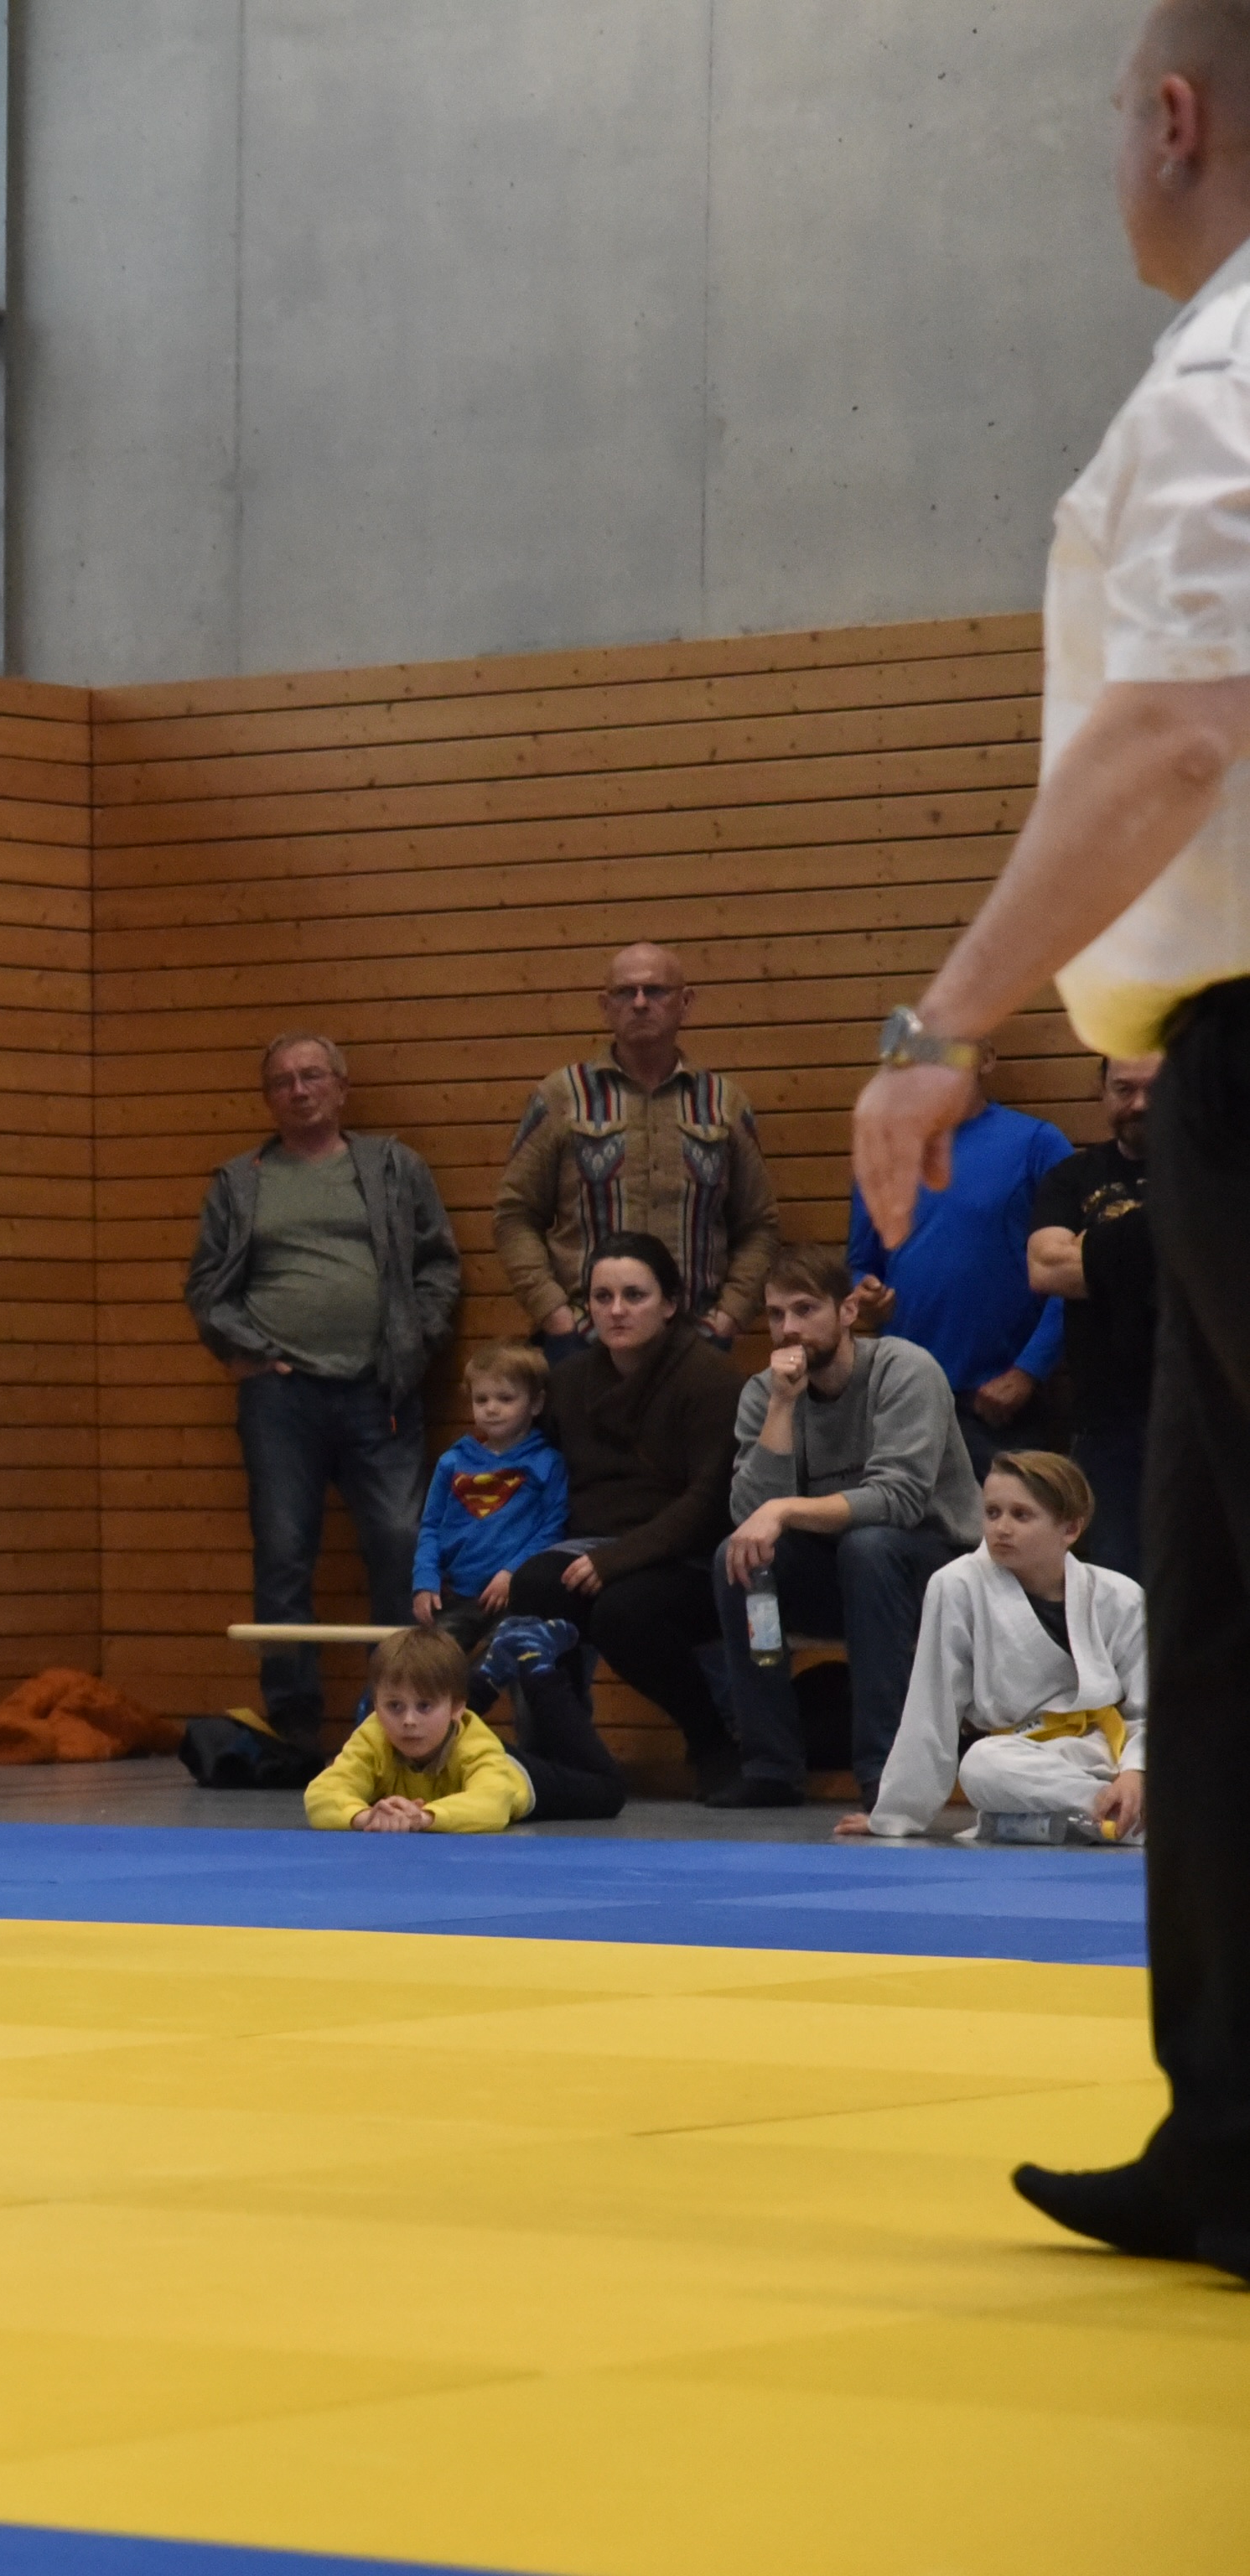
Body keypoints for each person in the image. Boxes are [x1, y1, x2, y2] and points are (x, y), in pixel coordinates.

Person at [853, 0, 1250, 2278]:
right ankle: (1233, 2123)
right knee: (1218, 1611)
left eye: (1117, 115)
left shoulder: (1222, 375)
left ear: (1174, 118)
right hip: (1209, 1073)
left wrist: (943, 1025)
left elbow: (1177, 729)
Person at [182, 1033, 465, 1753]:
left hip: (382, 1388)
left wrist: (416, 1341)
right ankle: (294, 1720)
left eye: (312, 1076)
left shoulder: (393, 1167)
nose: (299, 1090)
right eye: (282, 1081)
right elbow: (207, 1286)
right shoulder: (240, 1181)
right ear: (267, 1098)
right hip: (282, 1398)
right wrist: (249, 1352)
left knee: (400, 1542)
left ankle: (402, 1711)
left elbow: (439, 1264)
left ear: (342, 1087)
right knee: (283, 1550)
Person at [711, 1246, 985, 1809]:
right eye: (776, 1314)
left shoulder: (904, 1370)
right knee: (739, 1560)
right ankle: (772, 1766)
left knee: (870, 1547)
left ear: (847, 1312)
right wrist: (781, 1409)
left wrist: (785, 1512)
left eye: (805, 1309)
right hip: (838, 1564)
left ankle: (885, 1772)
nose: (789, 1329)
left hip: (936, 1565)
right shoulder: (765, 1392)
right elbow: (751, 1515)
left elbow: (899, 1499)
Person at [496, 1233, 741, 1797]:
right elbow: (536, 1473)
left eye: (635, 1295)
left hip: (688, 1558)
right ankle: (560, 1754)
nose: (616, 1310)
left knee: (623, 1612)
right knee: (534, 1585)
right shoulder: (568, 1381)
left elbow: (709, 1503)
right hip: (590, 1548)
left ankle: (711, 1742)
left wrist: (617, 1560)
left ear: (670, 1303)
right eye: (602, 1297)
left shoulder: (712, 1381)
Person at [839, 1452, 1150, 1847]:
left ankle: (1110, 1809)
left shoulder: (1120, 1596)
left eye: (1021, 1515)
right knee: (980, 1764)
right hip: (1019, 1757)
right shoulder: (956, 1585)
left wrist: (1136, 1772)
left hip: (1108, 1751)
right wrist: (895, 1814)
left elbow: (1150, 1709)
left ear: (1070, 1528)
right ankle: (1118, 1814)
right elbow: (932, 1707)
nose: (1002, 1528)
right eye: (992, 1513)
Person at [493, 944, 782, 1359]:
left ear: (686, 1003)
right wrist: (555, 1314)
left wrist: (729, 1316)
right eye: (626, 993)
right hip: (584, 1345)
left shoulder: (724, 1103)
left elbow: (759, 1225)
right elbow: (515, 1214)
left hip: (693, 1343)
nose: (641, 1003)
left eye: (656, 991)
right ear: (605, 1006)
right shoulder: (562, 1097)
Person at [845, 1050, 1070, 1472]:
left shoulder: (1037, 1144)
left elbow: (1072, 1276)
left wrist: (1028, 1371)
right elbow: (861, 1264)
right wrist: (867, 1295)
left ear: (987, 1058)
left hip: (1001, 1406)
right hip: (907, 1399)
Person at [1030, 1054, 1163, 1571]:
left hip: (1209, 1410)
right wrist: (1159, 1239)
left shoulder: (1220, 1174)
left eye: (1155, 1088)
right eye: (1124, 1089)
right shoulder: (1072, 1178)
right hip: (1107, 1420)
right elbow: (1046, 1269)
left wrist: (1092, 1249)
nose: (1140, 1103)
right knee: (1115, 1579)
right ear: (1102, 1090)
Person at [303, 1626, 537, 1835]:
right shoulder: (372, 1737)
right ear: (376, 1706)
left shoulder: (477, 1747)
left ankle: (538, 1669)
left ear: (457, 1708)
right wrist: (367, 1818)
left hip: (527, 1775)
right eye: (394, 1706)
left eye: (424, 1706)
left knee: (562, 1772)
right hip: (453, 1772)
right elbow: (321, 1794)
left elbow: (493, 1803)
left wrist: (421, 1818)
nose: (409, 1721)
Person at [408, 1343, 572, 1633]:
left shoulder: (548, 1462)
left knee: (506, 1658)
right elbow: (431, 1527)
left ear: (536, 1403)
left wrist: (512, 1572)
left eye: (505, 1398)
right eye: (481, 1399)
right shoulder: (452, 1462)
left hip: (515, 1597)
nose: (492, 1408)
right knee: (434, 1658)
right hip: (455, 1596)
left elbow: (553, 1529)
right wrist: (424, 1580)